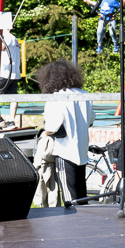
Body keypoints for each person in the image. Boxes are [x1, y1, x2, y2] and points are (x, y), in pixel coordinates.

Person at [36, 60, 94, 205]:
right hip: (82, 152)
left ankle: (74, 219)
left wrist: (44, 133)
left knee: (69, 199)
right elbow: (91, 120)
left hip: (64, 151)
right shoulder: (85, 95)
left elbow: (52, 127)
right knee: (82, 195)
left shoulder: (56, 98)